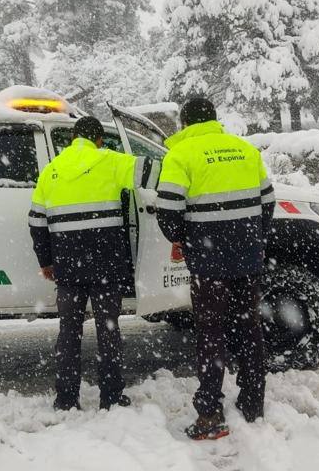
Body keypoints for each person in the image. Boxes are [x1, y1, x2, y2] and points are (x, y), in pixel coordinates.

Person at [155, 98, 275, 440]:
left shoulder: (180, 155)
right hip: (247, 256)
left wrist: (181, 238)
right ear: (214, 119)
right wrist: (252, 237)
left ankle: (210, 413)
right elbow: (268, 202)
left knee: (211, 332)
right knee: (248, 326)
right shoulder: (245, 150)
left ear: (185, 123)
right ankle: (253, 403)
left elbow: (168, 209)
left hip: (209, 261)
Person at [28, 116, 153, 411]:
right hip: (106, 266)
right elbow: (153, 172)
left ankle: (66, 399)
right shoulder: (110, 160)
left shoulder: (51, 170)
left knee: (68, 333)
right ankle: (110, 396)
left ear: (73, 139)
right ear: (98, 139)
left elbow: (35, 221)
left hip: (67, 267)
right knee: (108, 331)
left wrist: (46, 261)